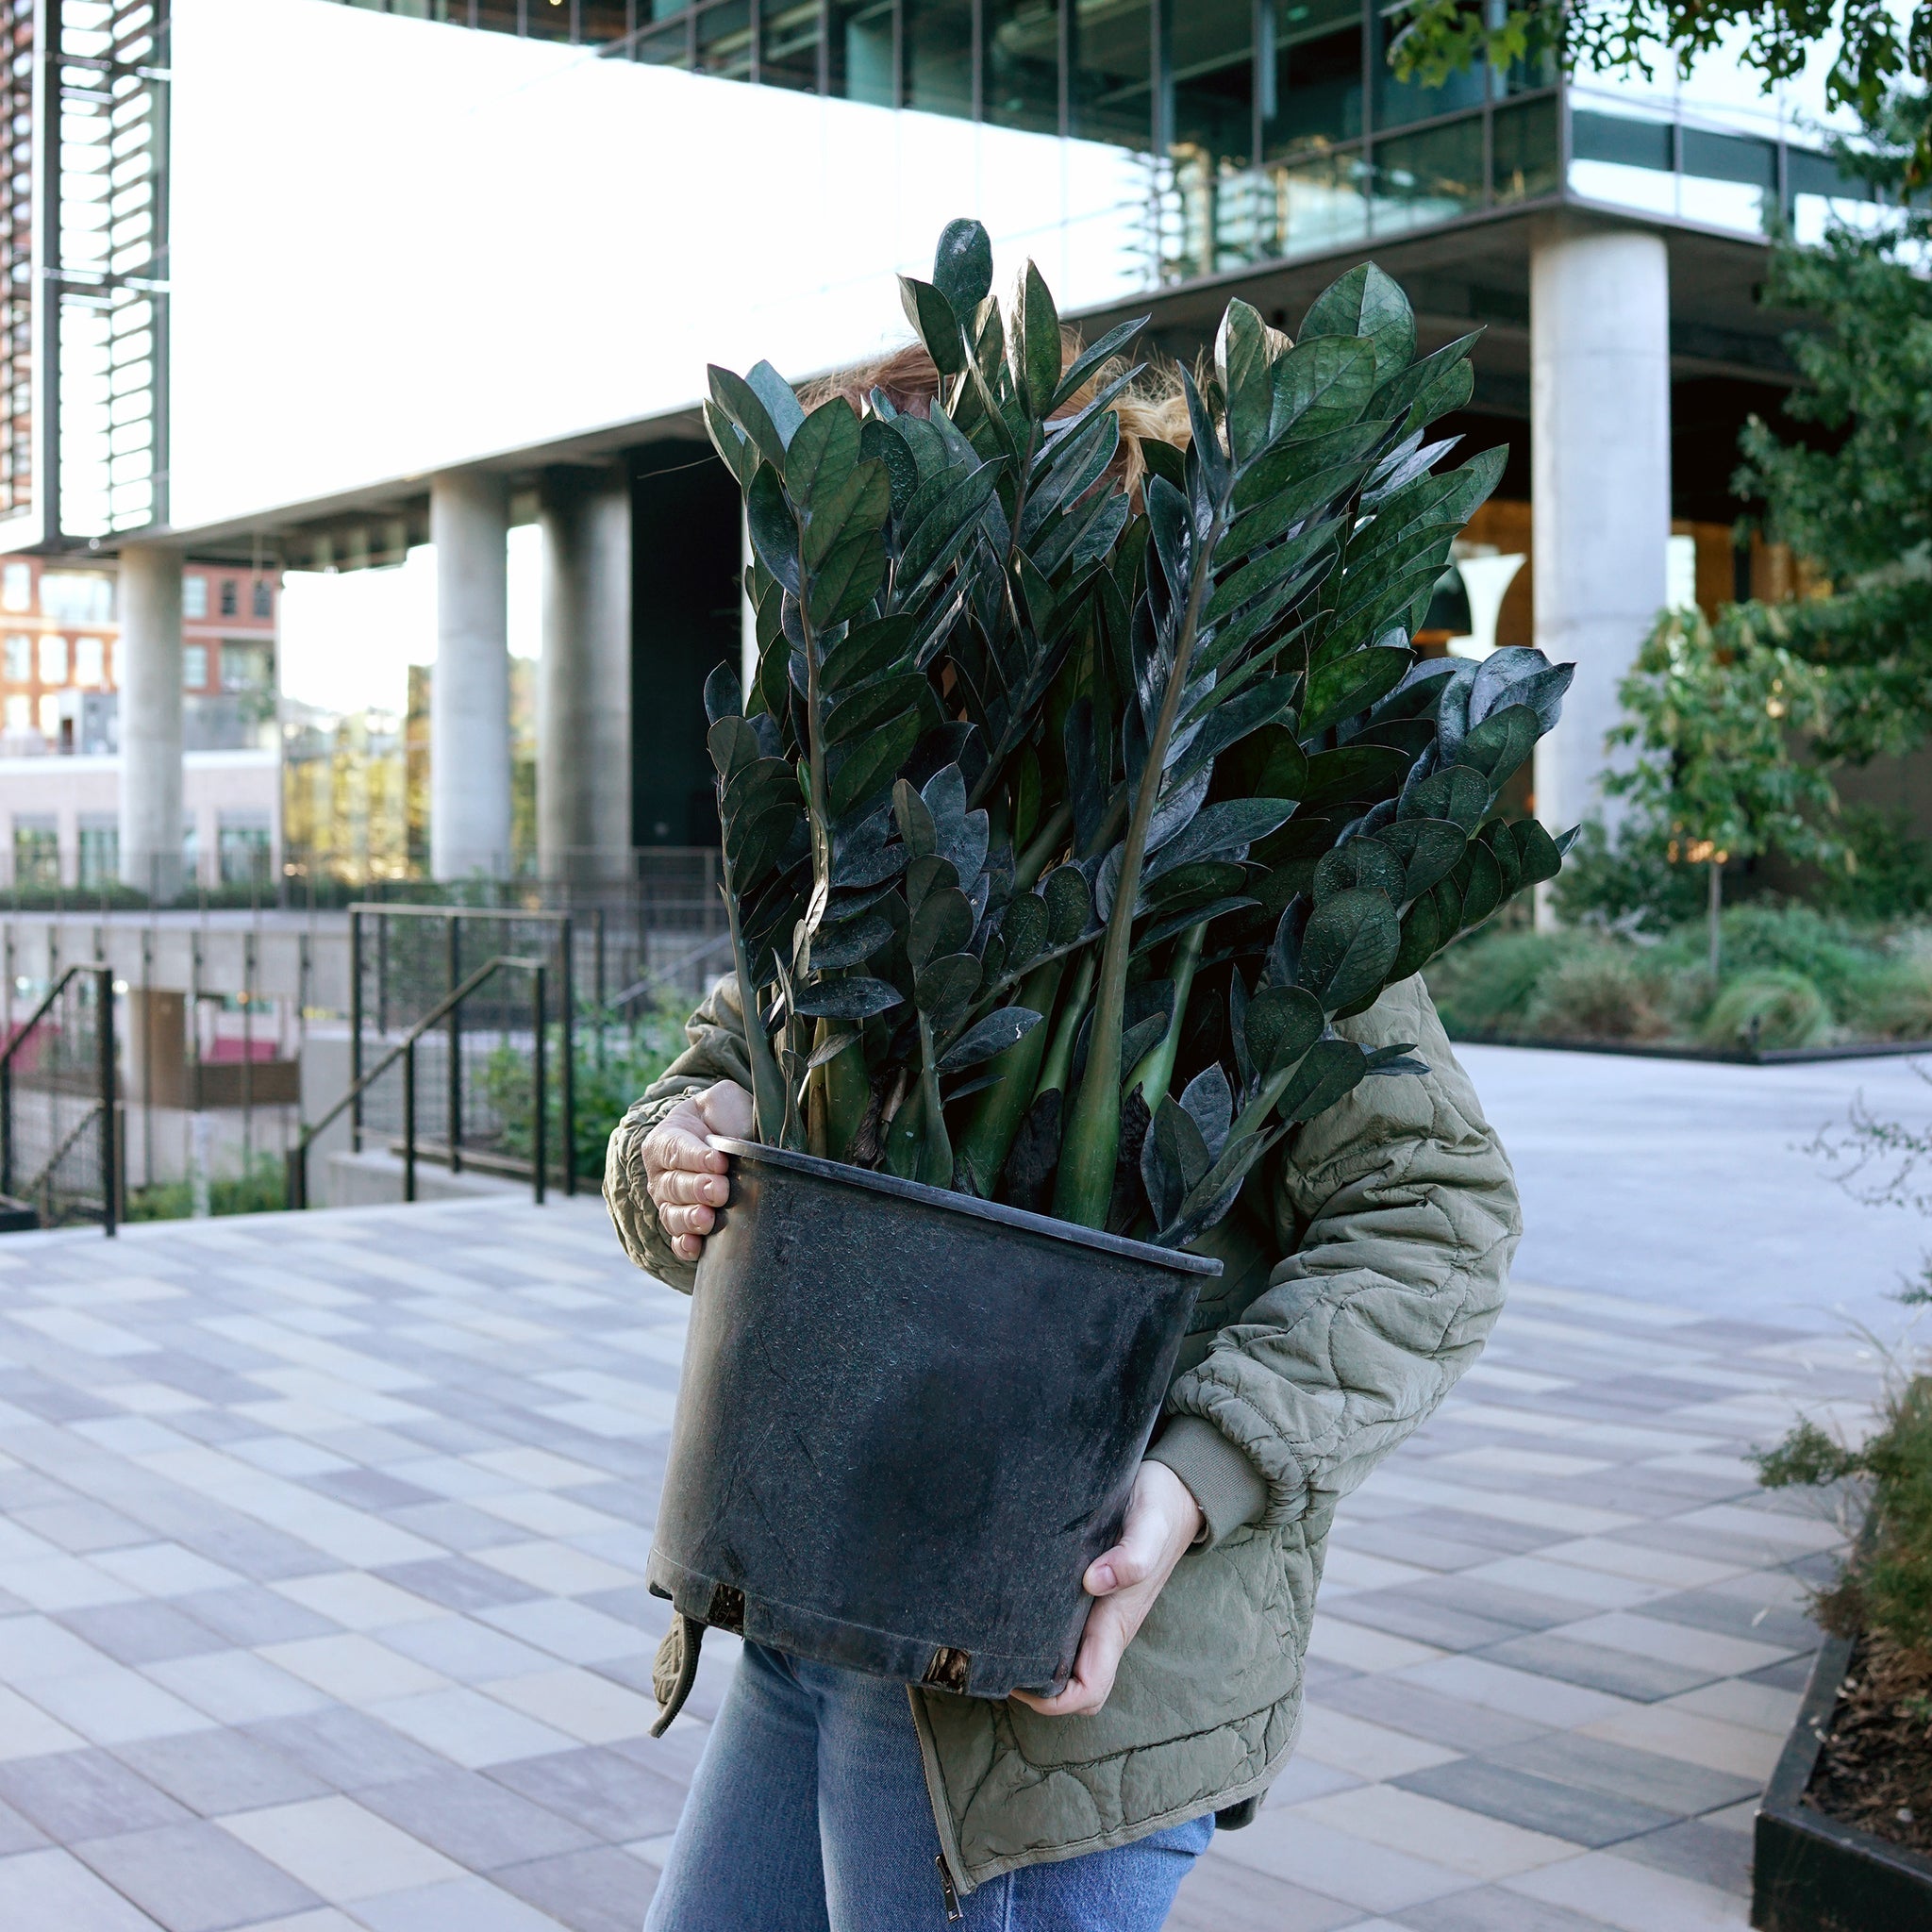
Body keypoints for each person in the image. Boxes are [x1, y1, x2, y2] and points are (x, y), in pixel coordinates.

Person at [606, 970, 1519, 1929]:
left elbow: (1436, 1217)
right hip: (806, 1605)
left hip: (1043, 1671)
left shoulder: (1291, 851)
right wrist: (677, 1156)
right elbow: (714, 1072)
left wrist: (1200, 1474)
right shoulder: (847, 822)